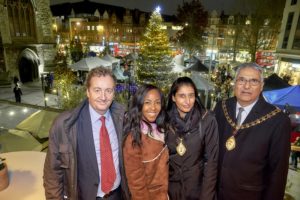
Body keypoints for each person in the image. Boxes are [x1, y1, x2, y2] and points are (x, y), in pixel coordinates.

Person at [43, 66, 129, 200]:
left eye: (108, 90)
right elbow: (52, 174)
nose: (103, 97)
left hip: (118, 195)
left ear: (114, 93)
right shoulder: (65, 125)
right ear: (87, 92)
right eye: (97, 90)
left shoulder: (124, 118)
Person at [214, 63, 291, 200]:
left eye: (254, 81)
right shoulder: (221, 107)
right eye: (242, 80)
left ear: (262, 86)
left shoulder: (278, 120)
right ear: (235, 83)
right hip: (216, 194)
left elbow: (278, 173)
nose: (246, 86)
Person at [166, 77, 219, 200]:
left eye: (191, 95)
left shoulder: (207, 120)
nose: (187, 101)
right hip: (172, 190)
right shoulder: (164, 121)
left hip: (198, 189)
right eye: (182, 96)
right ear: (173, 97)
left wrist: (206, 196)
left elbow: (211, 161)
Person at [123, 84, 169, 200]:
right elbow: (136, 184)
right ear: (139, 104)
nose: (153, 108)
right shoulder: (134, 137)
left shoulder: (162, 129)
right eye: (147, 102)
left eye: (157, 102)